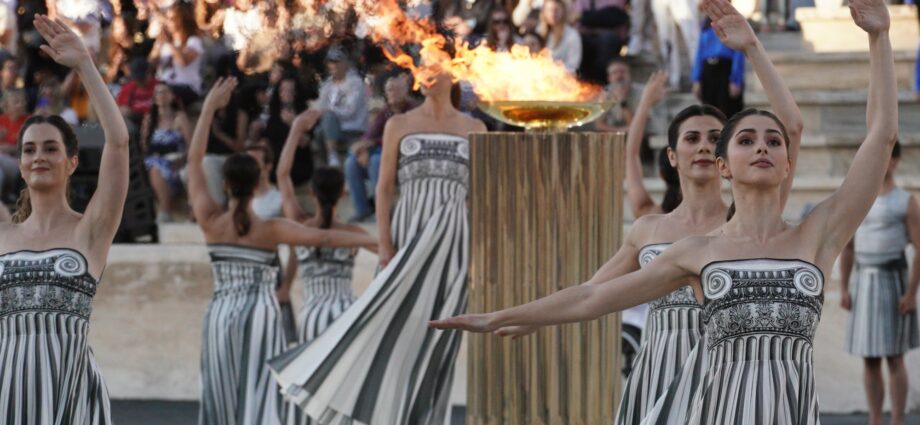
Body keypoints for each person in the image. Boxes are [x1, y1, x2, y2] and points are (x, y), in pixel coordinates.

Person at [431, 2, 897, 425]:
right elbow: (592, 296)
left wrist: (879, 38)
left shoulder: (818, 234)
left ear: (788, 163)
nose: (762, 147)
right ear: (723, 165)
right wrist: (500, 316)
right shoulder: (694, 252)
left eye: (773, 142)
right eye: (746, 140)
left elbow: (880, 137)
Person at [270, 55, 487, 424]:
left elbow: (479, 194)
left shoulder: (475, 127)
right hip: (408, 231)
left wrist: (475, 250)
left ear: (453, 74)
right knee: (389, 325)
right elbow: (384, 188)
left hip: (453, 239)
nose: (428, 74)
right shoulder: (398, 124)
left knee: (441, 337)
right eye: (424, 68)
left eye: (436, 68)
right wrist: (385, 242)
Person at [187, 77, 377, 425]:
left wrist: (209, 110)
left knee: (219, 388)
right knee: (262, 395)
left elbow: (194, 159)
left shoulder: (210, 221)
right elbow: (323, 239)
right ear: (256, 183)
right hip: (262, 313)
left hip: (220, 313)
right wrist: (373, 242)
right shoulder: (270, 228)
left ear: (225, 185)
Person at [0, 14, 130, 424]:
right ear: (21, 165)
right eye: (29, 150)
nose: (39, 156)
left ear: (72, 162)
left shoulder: (90, 230)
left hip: (71, 398)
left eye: (51, 148)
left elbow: (118, 143)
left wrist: (86, 65)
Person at [276, 117, 372, 425]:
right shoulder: (355, 232)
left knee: (312, 394)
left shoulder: (301, 226)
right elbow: (390, 254)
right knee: (344, 394)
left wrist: (295, 130)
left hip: (313, 313)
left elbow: (282, 175)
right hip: (347, 311)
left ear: (313, 194)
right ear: (344, 193)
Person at [840, 140, 919, 425]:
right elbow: (848, 247)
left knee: (894, 357)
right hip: (864, 281)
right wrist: (845, 287)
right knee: (870, 358)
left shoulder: (905, 202)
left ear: (894, 161)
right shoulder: (859, 200)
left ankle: (897, 420)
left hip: (893, 281)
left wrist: (911, 293)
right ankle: (875, 420)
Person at [344, 72, 415, 223]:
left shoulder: (412, 112)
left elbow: (402, 139)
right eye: (390, 89)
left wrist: (373, 144)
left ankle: (383, 211)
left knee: (377, 161)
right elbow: (370, 134)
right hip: (382, 154)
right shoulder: (385, 112)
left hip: (403, 160)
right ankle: (362, 210)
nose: (393, 93)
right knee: (351, 163)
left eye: (397, 89)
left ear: (406, 92)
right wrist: (363, 149)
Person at [309, 47, 369, 167]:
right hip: (332, 128)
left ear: (345, 63)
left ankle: (332, 157)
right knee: (319, 131)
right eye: (331, 62)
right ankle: (327, 165)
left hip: (352, 128)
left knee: (328, 118)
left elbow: (350, 111)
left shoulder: (355, 83)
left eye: (337, 62)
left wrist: (330, 111)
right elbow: (321, 106)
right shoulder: (328, 85)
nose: (333, 66)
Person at [141, 83, 191, 223]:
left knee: (156, 168)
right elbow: (144, 145)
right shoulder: (149, 119)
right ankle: (164, 211)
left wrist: (181, 160)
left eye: (165, 92)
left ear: (172, 96)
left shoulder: (180, 118)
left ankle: (165, 212)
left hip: (177, 160)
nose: (161, 95)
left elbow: (191, 145)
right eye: (158, 93)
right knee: (153, 167)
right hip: (154, 160)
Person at [149, 2, 204, 103]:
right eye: (167, 18)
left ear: (182, 20)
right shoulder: (164, 42)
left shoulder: (193, 41)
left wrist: (169, 42)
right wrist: (158, 45)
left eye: (171, 19)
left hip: (186, 87)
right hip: (164, 85)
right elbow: (150, 65)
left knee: (163, 94)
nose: (167, 22)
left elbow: (183, 61)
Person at [692, 18, 746, 119]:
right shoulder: (705, 26)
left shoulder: (732, 24)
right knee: (709, 113)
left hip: (725, 70)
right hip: (708, 70)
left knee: (728, 112)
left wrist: (735, 80)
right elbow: (699, 52)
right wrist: (696, 79)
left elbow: (738, 52)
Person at [596, 59, 642, 133]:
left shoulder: (641, 92)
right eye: (614, 73)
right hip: (614, 135)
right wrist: (620, 131)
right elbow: (599, 125)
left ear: (630, 75)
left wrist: (623, 102)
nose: (619, 76)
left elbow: (636, 126)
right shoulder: (604, 93)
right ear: (609, 77)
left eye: (622, 72)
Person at [538, 0, 582, 73]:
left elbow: (573, 66)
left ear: (563, 11)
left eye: (556, 10)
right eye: (550, 10)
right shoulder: (538, 31)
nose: (553, 14)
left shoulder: (572, 36)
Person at [245, 141, 283, 219]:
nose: (248, 167)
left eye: (254, 163)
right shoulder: (239, 199)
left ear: (268, 166)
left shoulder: (280, 199)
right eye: (246, 163)